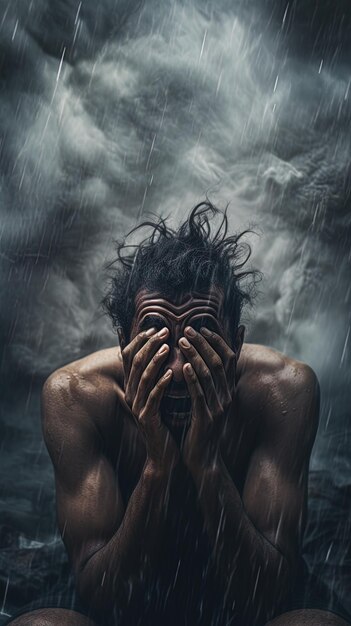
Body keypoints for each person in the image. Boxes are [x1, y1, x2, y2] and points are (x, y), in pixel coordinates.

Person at [6, 203, 350, 626]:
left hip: (240, 587)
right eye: (155, 339)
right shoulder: (78, 396)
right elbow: (103, 598)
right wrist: (158, 466)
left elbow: (269, 595)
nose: (177, 371)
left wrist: (207, 465)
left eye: (201, 338)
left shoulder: (282, 390)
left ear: (236, 343)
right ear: (124, 340)